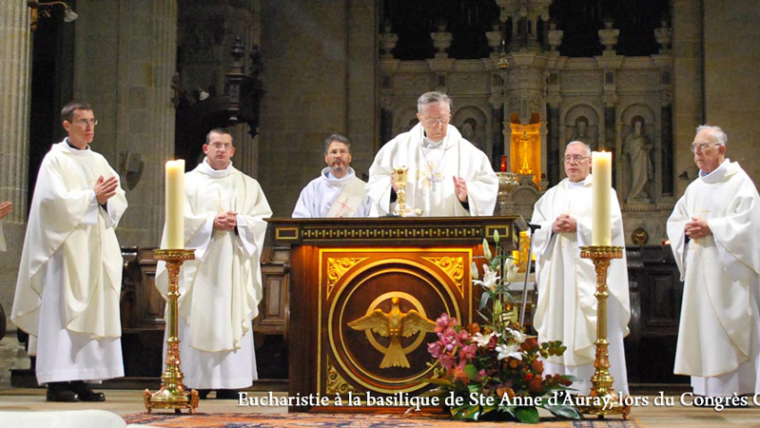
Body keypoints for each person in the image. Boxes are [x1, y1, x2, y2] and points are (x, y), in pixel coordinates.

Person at [11, 101, 128, 402]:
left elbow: (118, 200)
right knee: (62, 314)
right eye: (82, 122)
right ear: (67, 125)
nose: (89, 127)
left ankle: (82, 379)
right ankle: (57, 382)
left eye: (92, 121)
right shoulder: (55, 159)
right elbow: (51, 203)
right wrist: (92, 197)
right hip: (64, 252)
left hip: (94, 251)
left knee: (92, 312)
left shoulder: (99, 160)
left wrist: (104, 201)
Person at [155, 128, 272, 399]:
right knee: (197, 316)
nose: (221, 149)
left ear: (233, 151)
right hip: (198, 268)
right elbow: (177, 220)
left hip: (232, 264)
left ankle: (230, 382)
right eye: (216, 144)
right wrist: (210, 222)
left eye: (227, 145)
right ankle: (196, 379)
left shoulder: (247, 184)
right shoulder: (186, 182)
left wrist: (239, 222)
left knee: (230, 313)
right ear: (206, 149)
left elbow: (261, 219)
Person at [530, 141, 630, 396]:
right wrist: (552, 226)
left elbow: (613, 227)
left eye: (578, 158)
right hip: (559, 279)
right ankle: (556, 389)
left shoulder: (603, 191)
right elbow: (534, 229)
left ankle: (596, 388)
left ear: (589, 161)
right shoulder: (552, 194)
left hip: (591, 277)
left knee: (592, 326)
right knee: (559, 325)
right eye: (567, 158)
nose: (572, 163)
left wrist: (580, 226)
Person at [667, 125, 760, 398]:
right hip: (699, 271)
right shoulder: (695, 188)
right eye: (695, 147)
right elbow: (676, 220)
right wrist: (685, 229)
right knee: (703, 328)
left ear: (721, 149)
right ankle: (707, 390)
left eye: (704, 146)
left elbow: (751, 225)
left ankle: (734, 391)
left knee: (727, 328)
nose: (697, 152)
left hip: (728, 274)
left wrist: (712, 227)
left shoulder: (739, 183)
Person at [366, 91, 497, 216]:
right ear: (420, 118)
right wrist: (391, 189)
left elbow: (487, 186)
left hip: (453, 230)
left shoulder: (469, 153)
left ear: (449, 116)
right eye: (430, 120)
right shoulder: (397, 147)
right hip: (408, 230)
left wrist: (468, 196)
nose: (437, 126)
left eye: (442, 119)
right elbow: (375, 181)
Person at [292, 134, 371, 218]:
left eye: (342, 152)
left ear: (350, 157)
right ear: (326, 158)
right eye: (333, 152)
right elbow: (300, 220)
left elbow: (372, 222)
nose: (338, 156)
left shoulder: (364, 189)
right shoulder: (313, 189)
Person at [623, 117, 653, 202]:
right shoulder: (630, 136)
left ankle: (640, 193)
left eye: (640, 125)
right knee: (636, 176)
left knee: (644, 176)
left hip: (643, 159)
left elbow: (650, 146)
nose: (638, 127)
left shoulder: (644, 136)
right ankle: (633, 194)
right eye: (637, 125)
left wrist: (646, 147)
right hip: (635, 159)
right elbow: (626, 149)